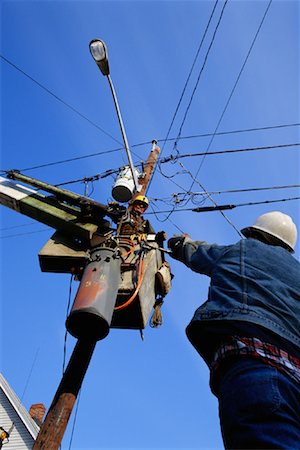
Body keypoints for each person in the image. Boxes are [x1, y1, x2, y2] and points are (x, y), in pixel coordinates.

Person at [167, 211, 300, 449]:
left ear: (254, 233)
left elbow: (199, 253)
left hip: (255, 364)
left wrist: (178, 243)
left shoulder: (240, 250)